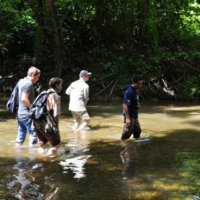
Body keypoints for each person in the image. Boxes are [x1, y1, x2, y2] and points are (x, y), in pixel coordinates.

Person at [33, 77, 63, 156]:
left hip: (36, 124)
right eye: (60, 85)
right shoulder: (55, 96)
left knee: (43, 144)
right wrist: (57, 129)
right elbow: (56, 114)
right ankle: (49, 162)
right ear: (56, 85)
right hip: (47, 125)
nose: (61, 87)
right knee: (56, 145)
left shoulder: (43, 93)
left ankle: (40, 161)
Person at [16, 66, 41, 145]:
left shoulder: (21, 81)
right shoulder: (28, 84)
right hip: (27, 114)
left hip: (20, 113)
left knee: (21, 133)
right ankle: (32, 156)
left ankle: (18, 153)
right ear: (33, 75)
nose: (38, 79)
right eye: (38, 76)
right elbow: (24, 99)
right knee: (34, 134)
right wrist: (32, 108)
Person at [121, 76, 143, 141]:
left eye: (141, 83)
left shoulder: (135, 90)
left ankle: (134, 144)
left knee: (137, 131)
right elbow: (125, 105)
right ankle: (123, 143)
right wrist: (127, 118)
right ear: (133, 83)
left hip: (134, 114)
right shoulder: (129, 92)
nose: (140, 85)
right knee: (127, 133)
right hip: (129, 115)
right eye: (139, 83)